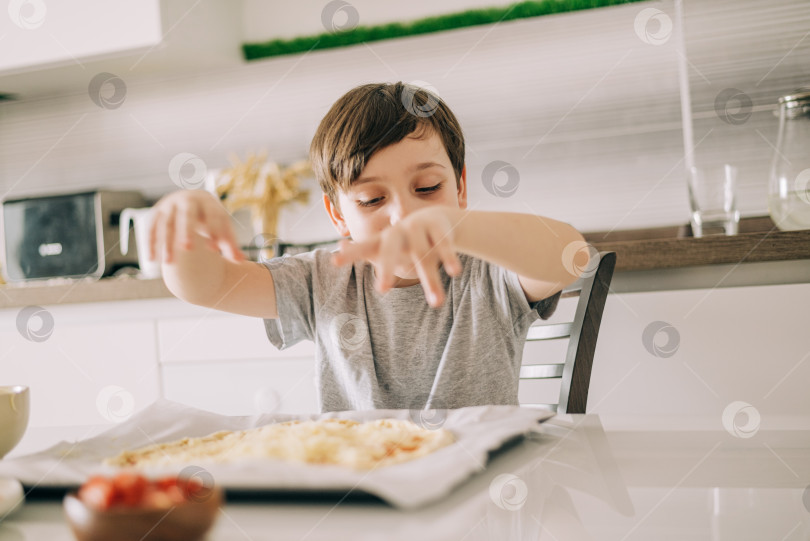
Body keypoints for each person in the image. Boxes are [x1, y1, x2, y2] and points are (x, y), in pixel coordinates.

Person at [149, 82, 588, 412]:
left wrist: (457, 227)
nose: (404, 215)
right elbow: (208, 285)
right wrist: (182, 225)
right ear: (339, 215)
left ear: (460, 187)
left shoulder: (491, 272)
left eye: (428, 188)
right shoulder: (321, 279)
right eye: (372, 200)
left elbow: (571, 255)